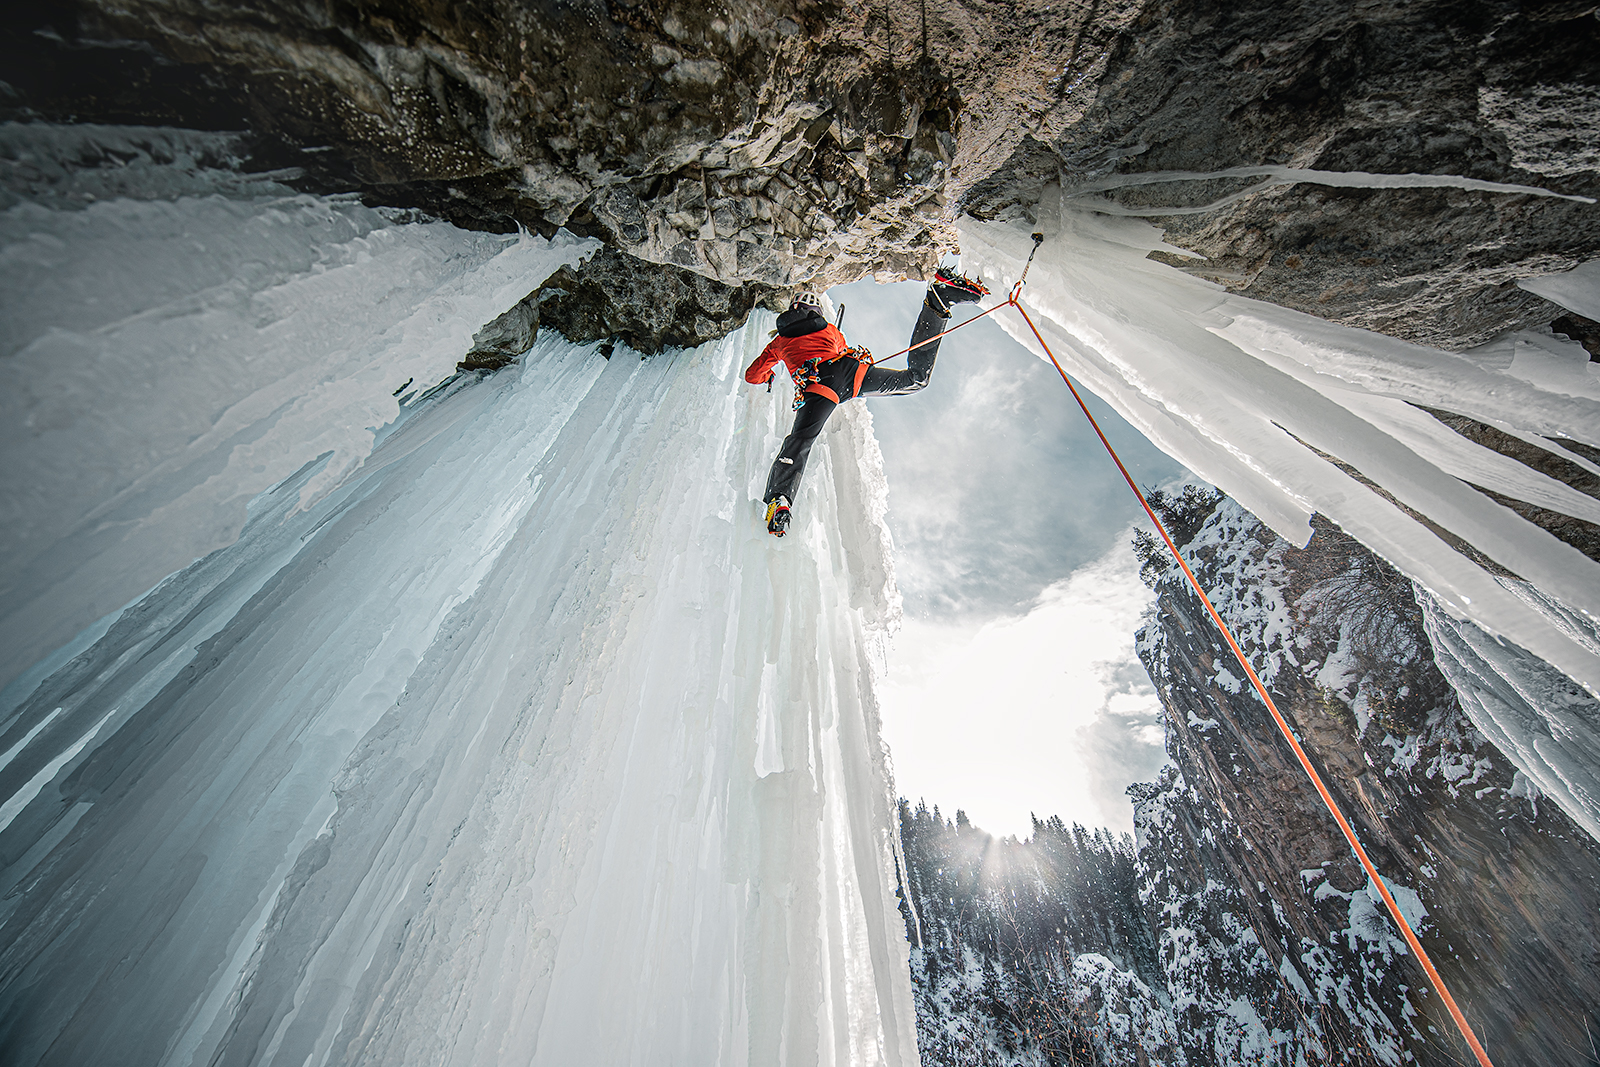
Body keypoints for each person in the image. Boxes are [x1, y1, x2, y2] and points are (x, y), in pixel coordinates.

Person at [744, 268, 989, 536]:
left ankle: (779, 500)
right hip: (849, 372)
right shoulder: (829, 329)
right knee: (916, 378)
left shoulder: (778, 342)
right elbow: (842, 350)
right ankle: (938, 301)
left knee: (800, 441)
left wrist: (768, 375)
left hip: (820, 385)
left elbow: (752, 375)